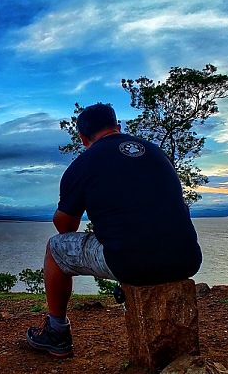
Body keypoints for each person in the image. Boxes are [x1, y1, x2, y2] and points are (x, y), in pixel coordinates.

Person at [25, 103, 203, 358]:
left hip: (131, 264)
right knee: (127, 231)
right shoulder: (157, 153)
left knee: (55, 248)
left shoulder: (83, 165)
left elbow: (65, 227)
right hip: (186, 259)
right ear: (118, 127)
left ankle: (57, 333)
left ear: (83, 138)